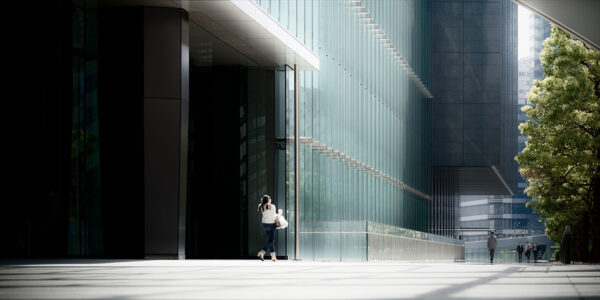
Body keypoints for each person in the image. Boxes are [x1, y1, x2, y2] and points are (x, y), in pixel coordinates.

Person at [257, 194, 280, 262]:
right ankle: (262, 252)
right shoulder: (272, 206)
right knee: (271, 240)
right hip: (271, 224)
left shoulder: (260, 206)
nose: (271, 199)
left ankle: (273, 256)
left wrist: (262, 201)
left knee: (270, 240)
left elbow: (262, 207)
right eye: (270, 198)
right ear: (268, 200)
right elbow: (274, 216)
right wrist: (279, 214)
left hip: (264, 224)